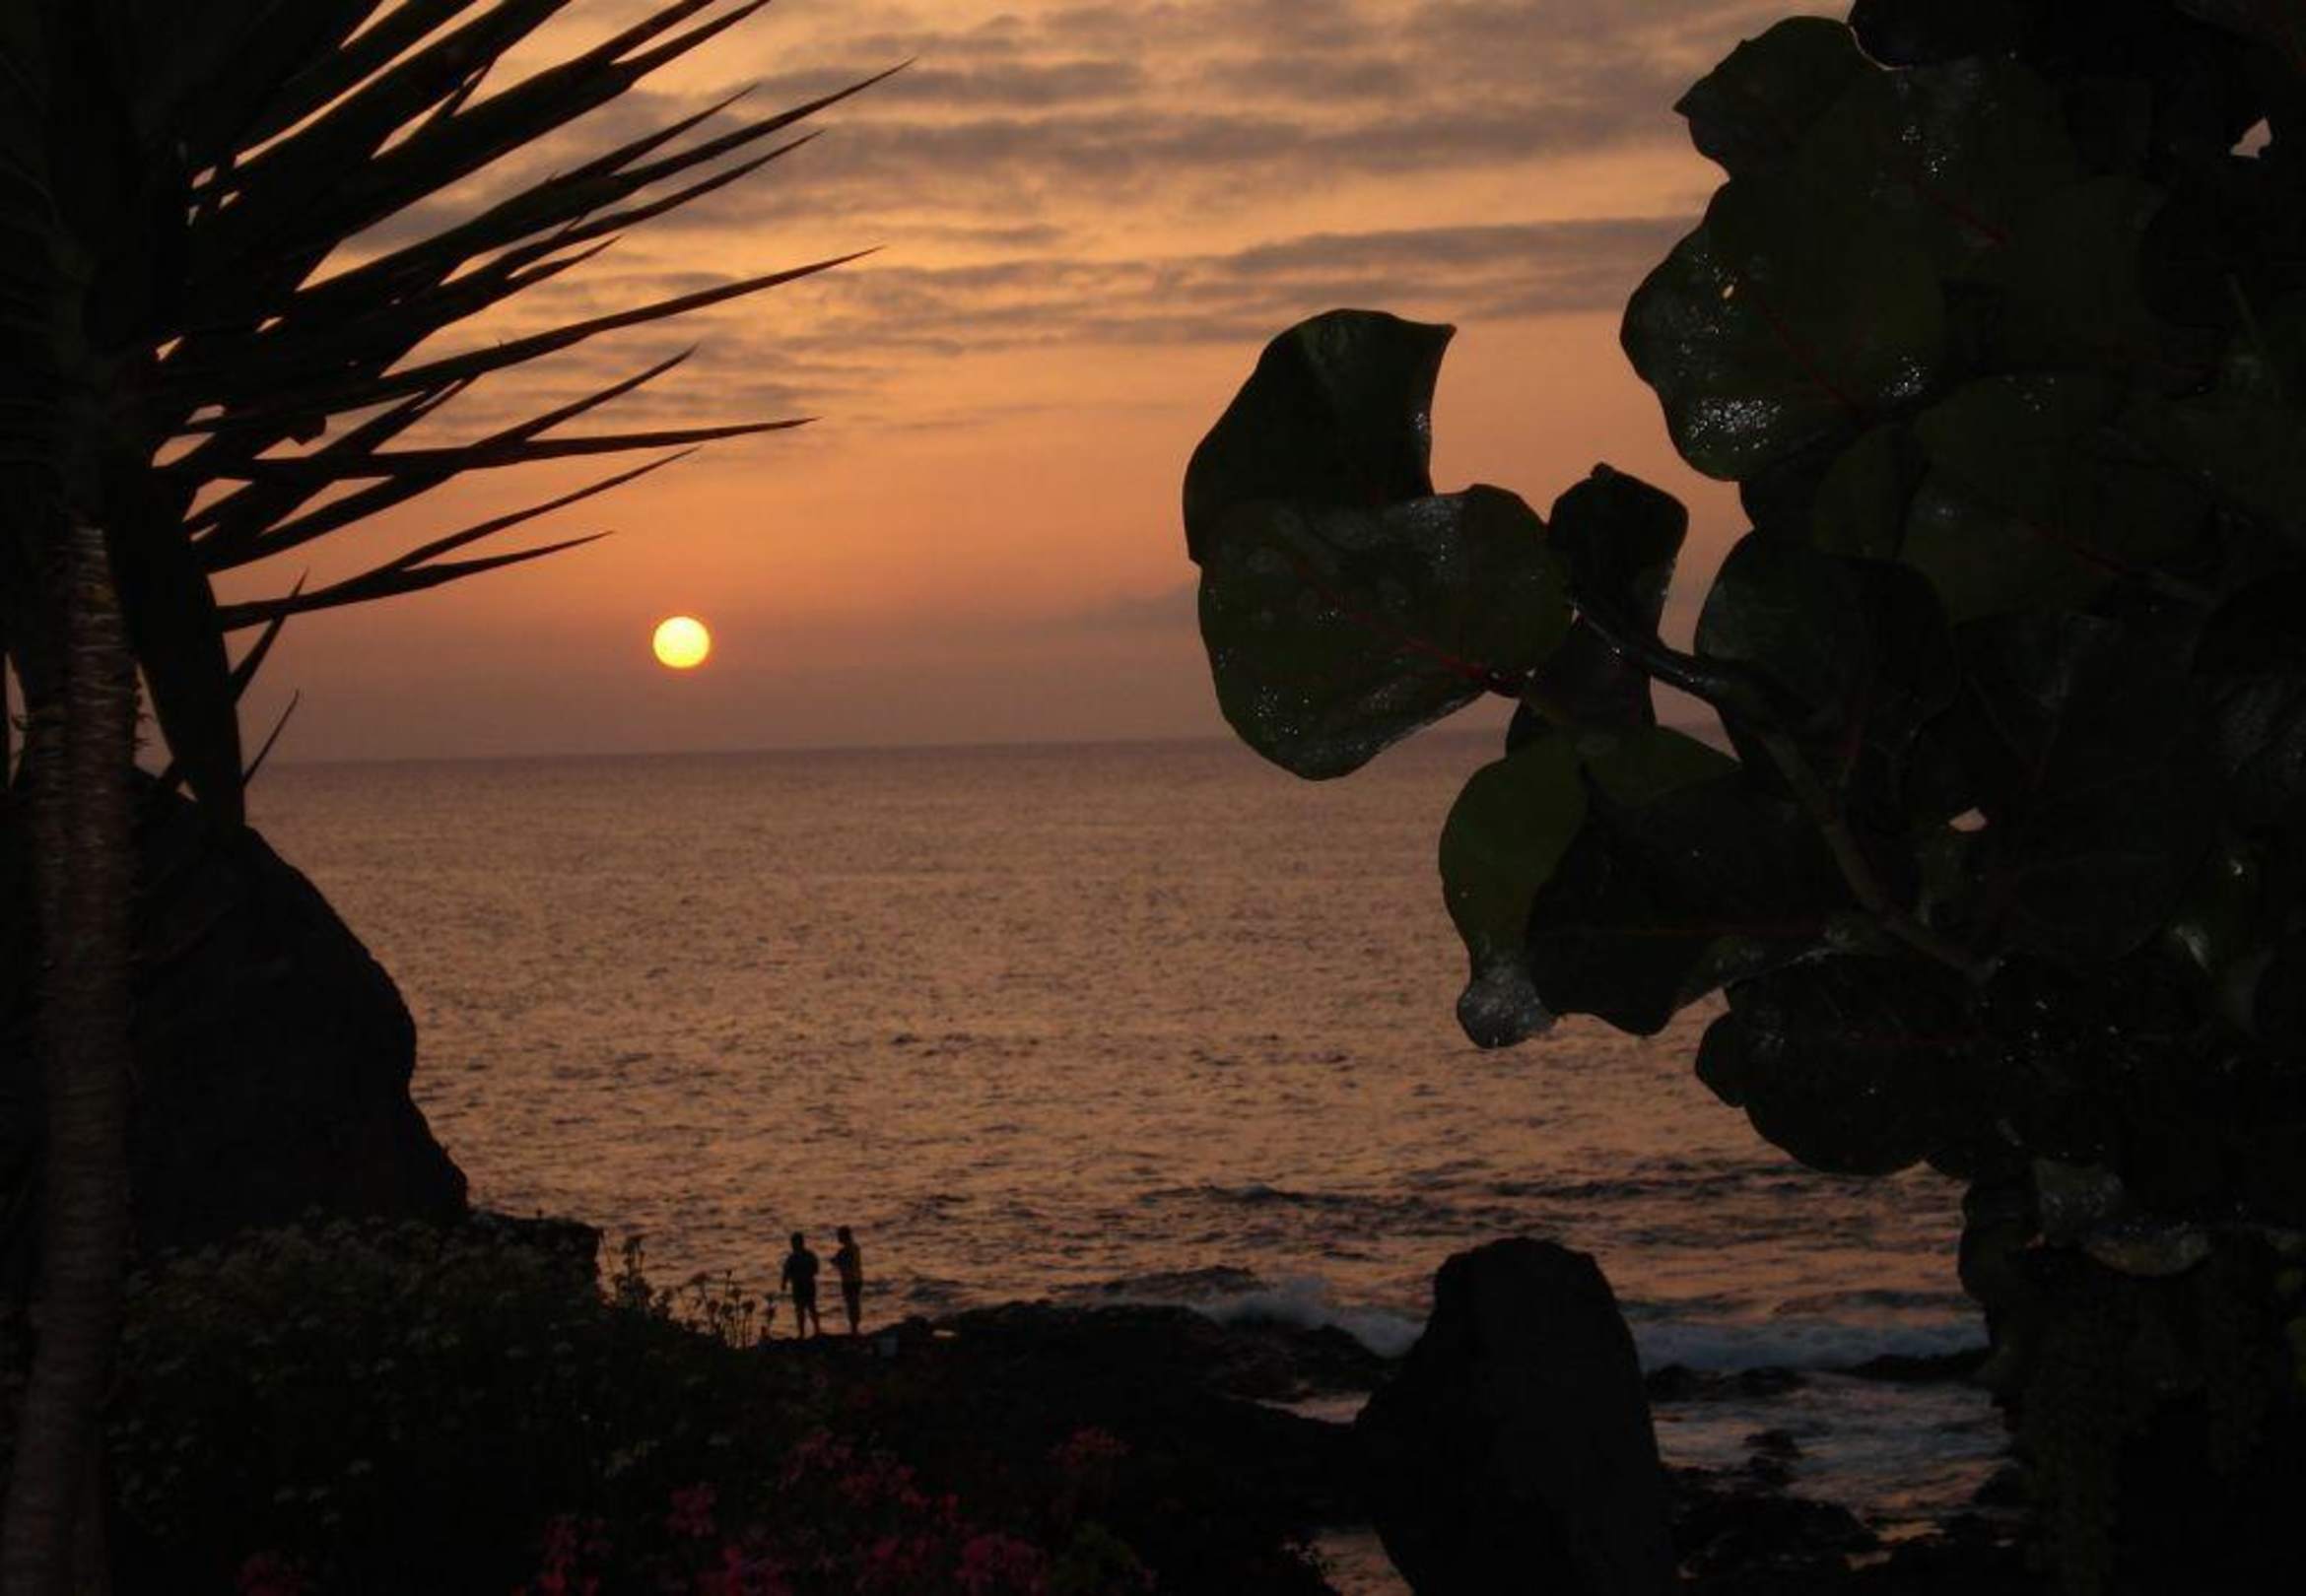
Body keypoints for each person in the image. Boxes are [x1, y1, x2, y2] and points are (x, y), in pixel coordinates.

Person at [780, 1230, 823, 1339]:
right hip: (800, 1285)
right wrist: (784, 1282)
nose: (793, 1245)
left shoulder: (805, 1256)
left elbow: (816, 1268)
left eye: (794, 1243)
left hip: (806, 1284)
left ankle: (815, 1330)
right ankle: (803, 1332)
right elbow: (786, 1271)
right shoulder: (794, 1257)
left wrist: (785, 1282)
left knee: (810, 1308)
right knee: (801, 1309)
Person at [833, 1226, 864, 1336]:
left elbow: (841, 1262)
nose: (838, 1238)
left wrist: (837, 1262)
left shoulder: (845, 1250)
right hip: (856, 1279)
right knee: (854, 1304)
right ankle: (854, 1329)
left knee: (852, 1305)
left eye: (839, 1236)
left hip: (850, 1281)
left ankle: (854, 1330)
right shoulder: (855, 1248)